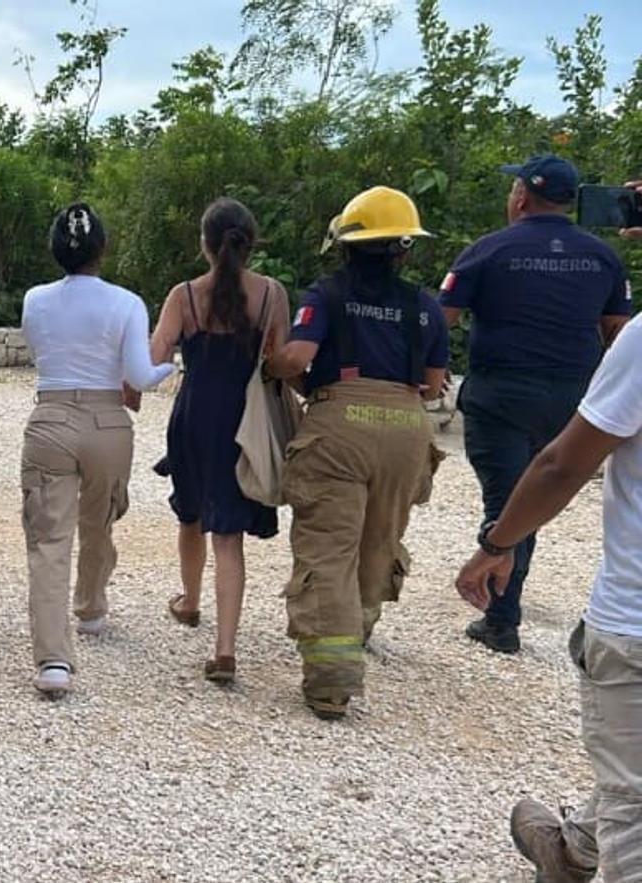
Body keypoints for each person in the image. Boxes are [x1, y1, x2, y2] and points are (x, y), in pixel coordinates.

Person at [454, 307, 642, 882]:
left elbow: (562, 464)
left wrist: (497, 542)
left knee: (634, 810)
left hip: (634, 620)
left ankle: (580, 847)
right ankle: (574, 848)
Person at [266, 186, 448, 721]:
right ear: (404, 249)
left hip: (339, 430)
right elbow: (433, 382)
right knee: (379, 540)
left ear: (344, 245)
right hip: (405, 431)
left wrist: (279, 369)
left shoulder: (326, 295)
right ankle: (359, 627)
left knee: (328, 546)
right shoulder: (424, 306)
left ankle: (331, 679)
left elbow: (296, 357)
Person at [441, 154, 632, 654]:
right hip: (572, 400)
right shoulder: (604, 257)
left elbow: (440, 321)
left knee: (505, 499)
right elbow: (618, 333)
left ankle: (501, 619)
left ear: (522, 196)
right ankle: (504, 600)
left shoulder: (487, 250)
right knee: (535, 491)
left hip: (500, 396)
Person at [21, 202, 175, 695]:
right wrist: (170, 365)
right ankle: (90, 607)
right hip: (109, 423)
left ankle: (53, 660)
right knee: (99, 519)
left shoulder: (34, 299)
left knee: (49, 538)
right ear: (103, 248)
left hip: (51, 418)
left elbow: (38, 353)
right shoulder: (127, 302)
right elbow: (140, 377)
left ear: (54, 249)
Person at [150, 198, 287, 683]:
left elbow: (155, 356)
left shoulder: (184, 296)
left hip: (193, 416)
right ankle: (225, 650)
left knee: (190, 514)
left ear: (204, 244)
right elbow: (279, 361)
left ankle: (189, 602)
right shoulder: (272, 295)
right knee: (228, 537)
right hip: (243, 419)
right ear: (250, 244)